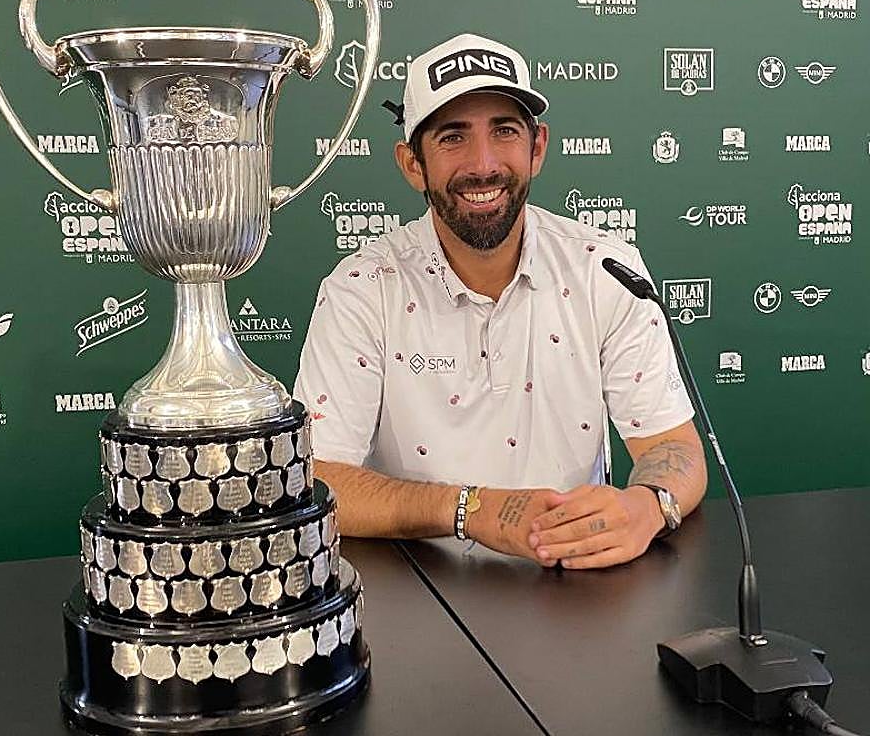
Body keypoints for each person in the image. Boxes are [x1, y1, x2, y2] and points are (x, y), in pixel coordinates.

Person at [293, 33, 707, 570]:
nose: (483, 163)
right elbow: (318, 480)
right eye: (452, 137)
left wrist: (648, 506)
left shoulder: (605, 270)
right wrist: (473, 511)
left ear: (537, 148)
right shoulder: (361, 288)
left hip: (574, 582)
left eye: (505, 131)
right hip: (416, 589)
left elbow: (673, 447)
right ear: (412, 164)